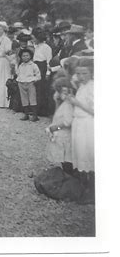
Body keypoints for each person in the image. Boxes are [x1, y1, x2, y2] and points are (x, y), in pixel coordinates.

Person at [68, 57, 94, 203]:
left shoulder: (92, 86)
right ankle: (84, 186)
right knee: (80, 152)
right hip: (79, 122)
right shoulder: (83, 86)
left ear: (91, 72)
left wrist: (77, 103)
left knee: (88, 154)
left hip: (87, 124)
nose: (81, 76)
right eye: (79, 73)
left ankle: (92, 191)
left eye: (84, 73)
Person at [46, 77, 74, 174]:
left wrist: (56, 127)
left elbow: (68, 121)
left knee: (67, 159)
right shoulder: (61, 104)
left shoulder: (67, 105)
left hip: (64, 135)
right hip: (60, 135)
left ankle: (69, 178)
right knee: (63, 159)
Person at [16, 48, 41, 121]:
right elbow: (18, 73)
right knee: (24, 99)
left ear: (30, 56)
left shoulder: (33, 65)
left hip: (30, 83)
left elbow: (38, 75)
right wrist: (19, 80)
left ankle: (35, 115)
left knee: (32, 99)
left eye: (27, 55)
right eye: (23, 56)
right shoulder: (21, 65)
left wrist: (34, 80)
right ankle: (26, 114)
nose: (25, 57)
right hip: (21, 83)